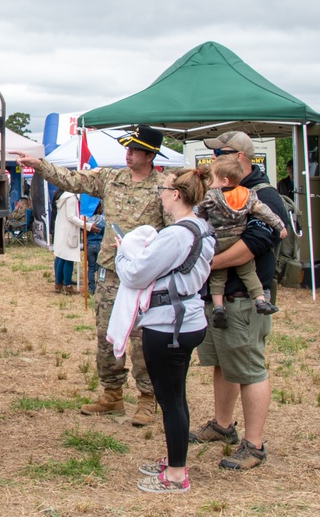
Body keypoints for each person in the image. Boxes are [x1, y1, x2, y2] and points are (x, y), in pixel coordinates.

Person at [14, 125, 168, 427]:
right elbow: (71, 179)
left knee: (143, 339)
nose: (129, 153)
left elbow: (175, 231)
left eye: (135, 149)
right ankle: (112, 394)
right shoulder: (111, 178)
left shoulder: (164, 187)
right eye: (128, 148)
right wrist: (40, 165)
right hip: (111, 272)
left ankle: (148, 399)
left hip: (146, 276)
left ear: (149, 155)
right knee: (106, 335)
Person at [190, 130, 289, 470]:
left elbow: (257, 243)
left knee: (249, 369)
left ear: (242, 158)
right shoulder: (222, 193)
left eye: (222, 153)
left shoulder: (263, 196)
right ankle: (222, 425)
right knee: (223, 362)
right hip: (221, 298)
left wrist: (208, 264)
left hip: (245, 297)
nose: (214, 159)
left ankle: (255, 445)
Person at [113, 169, 215, 493]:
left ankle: (175, 474)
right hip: (189, 320)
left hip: (168, 325)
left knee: (170, 401)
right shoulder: (202, 229)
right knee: (177, 397)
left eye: (164, 188)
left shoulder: (176, 235)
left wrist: (121, 252)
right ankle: (175, 458)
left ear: (176, 195)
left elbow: (135, 275)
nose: (160, 193)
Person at [199, 156, 285, 328]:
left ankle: (218, 307)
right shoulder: (249, 195)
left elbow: (199, 214)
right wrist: (280, 226)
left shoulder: (211, 196)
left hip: (218, 243)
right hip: (237, 237)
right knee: (249, 272)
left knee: (217, 278)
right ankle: (260, 299)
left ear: (223, 180)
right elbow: (264, 212)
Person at [71, 201, 104, 295]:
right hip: (99, 245)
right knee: (100, 267)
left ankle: (91, 288)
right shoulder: (103, 221)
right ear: (99, 209)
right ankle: (99, 286)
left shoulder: (88, 221)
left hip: (90, 246)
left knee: (91, 267)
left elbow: (84, 231)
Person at [51, 190, 81, 294]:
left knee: (61, 258)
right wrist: (87, 225)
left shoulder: (61, 196)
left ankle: (58, 284)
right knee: (69, 259)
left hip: (61, 230)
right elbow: (71, 217)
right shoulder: (71, 197)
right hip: (69, 232)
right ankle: (67, 286)